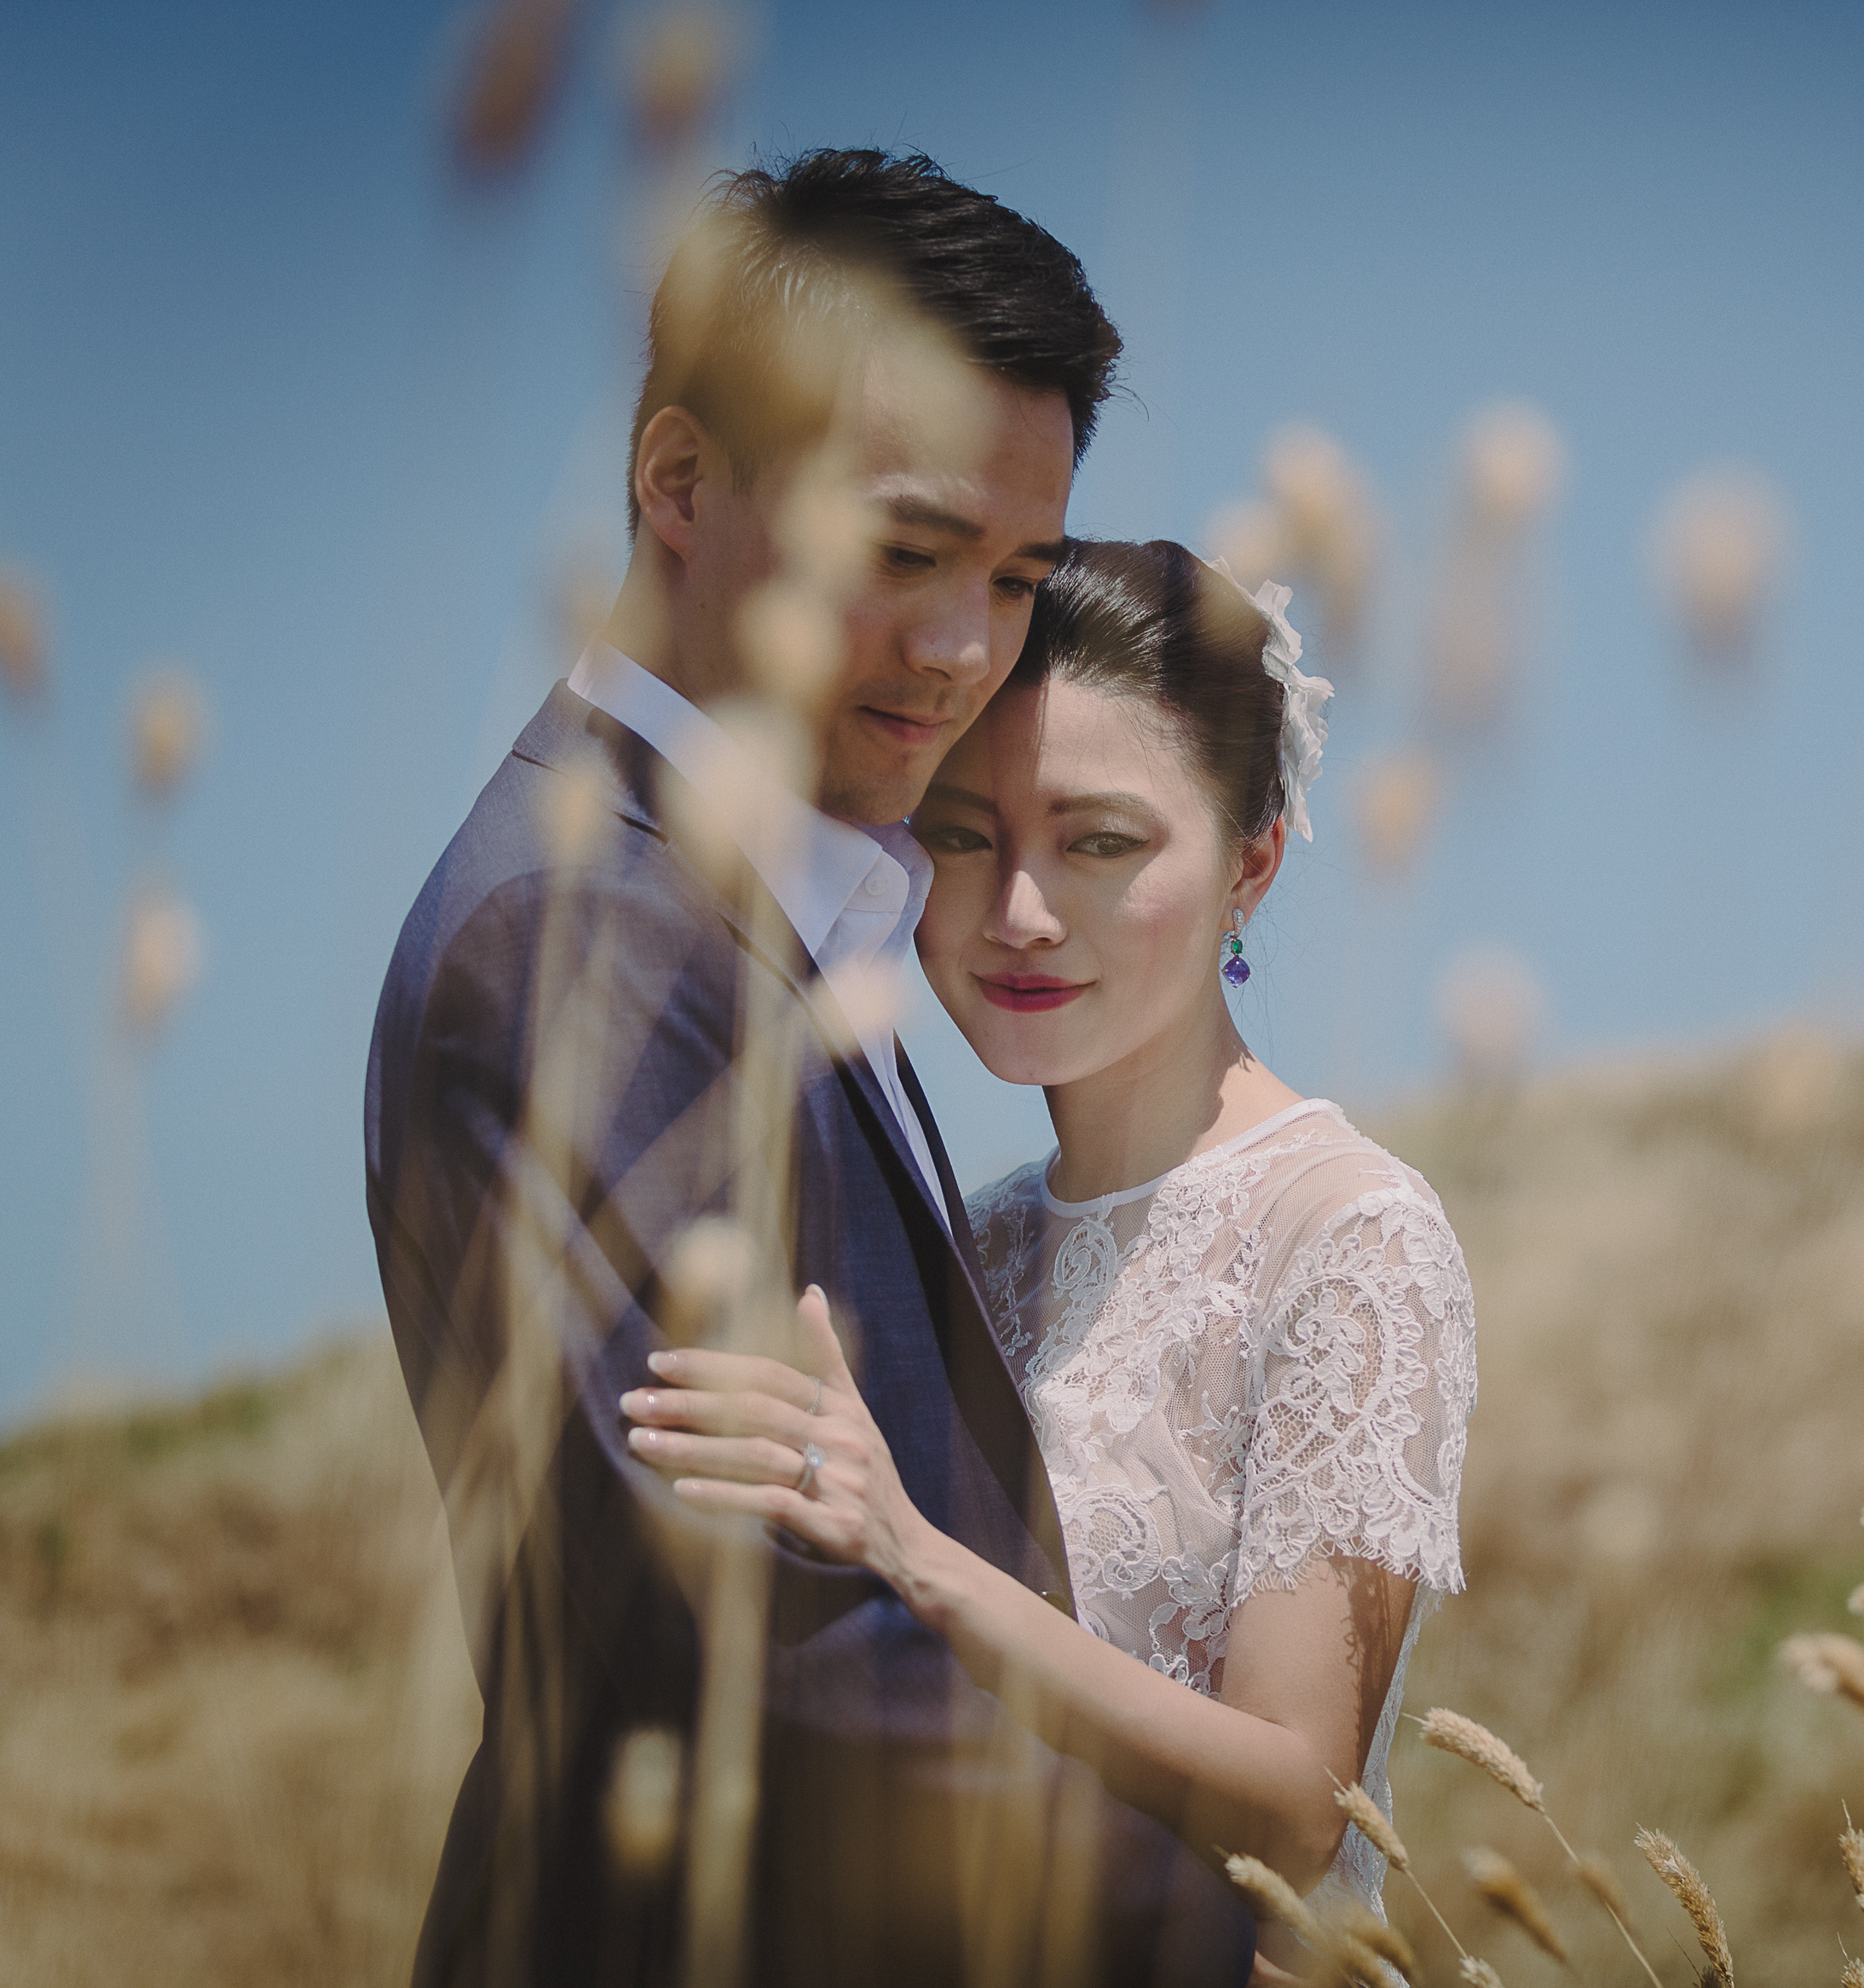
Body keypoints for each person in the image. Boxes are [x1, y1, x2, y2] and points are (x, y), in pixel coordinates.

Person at [367, 152, 1257, 1986]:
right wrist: (1229, 1950)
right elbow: (767, 1648)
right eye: (904, 551)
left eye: (1014, 578)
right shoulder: (581, 938)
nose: (958, 653)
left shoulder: (760, 916)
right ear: (678, 482)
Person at [620, 542, 1477, 1974]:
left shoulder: (1350, 1235)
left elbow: (1302, 1801)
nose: (1019, 910)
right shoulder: (980, 1235)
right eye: (963, 834)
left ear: (1250, 860)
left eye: (1100, 842)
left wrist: (925, 1561)